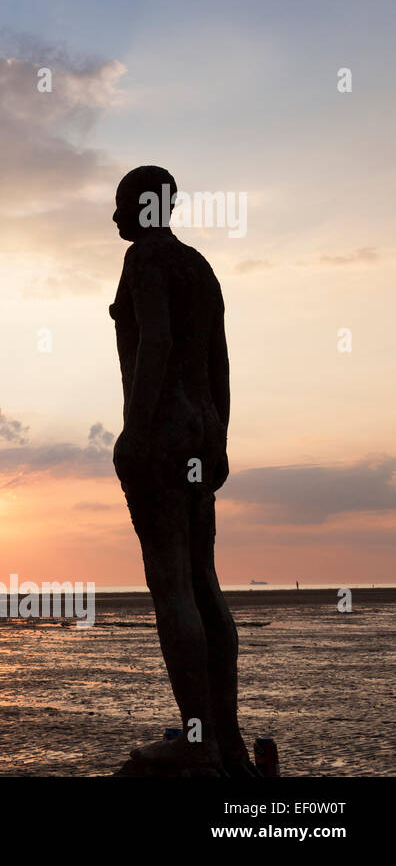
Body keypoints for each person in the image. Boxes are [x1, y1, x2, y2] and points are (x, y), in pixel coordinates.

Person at [110, 166, 254, 776]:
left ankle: (199, 744)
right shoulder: (200, 267)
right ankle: (225, 739)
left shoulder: (147, 260)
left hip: (164, 434)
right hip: (201, 431)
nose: (114, 217)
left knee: (172, 586)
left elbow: (159, 343)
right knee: (203, 581)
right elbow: (220, 358)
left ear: (143, 208)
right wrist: (219, 434)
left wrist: (136, 434)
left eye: (120, 205)